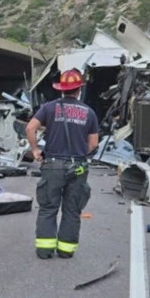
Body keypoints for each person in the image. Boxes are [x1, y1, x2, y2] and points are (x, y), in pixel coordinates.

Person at [25, 68, 99, 260]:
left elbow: (30, 128)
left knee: (48, 208)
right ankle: (66, 250)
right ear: (79, 90)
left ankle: (44, 250)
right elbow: (93, 144)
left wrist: (35, 150)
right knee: (72, 210)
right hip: (78, 166)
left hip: (53, 165)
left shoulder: (49, 108)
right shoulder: (89, 113)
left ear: (62, 89)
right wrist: (80, 154)